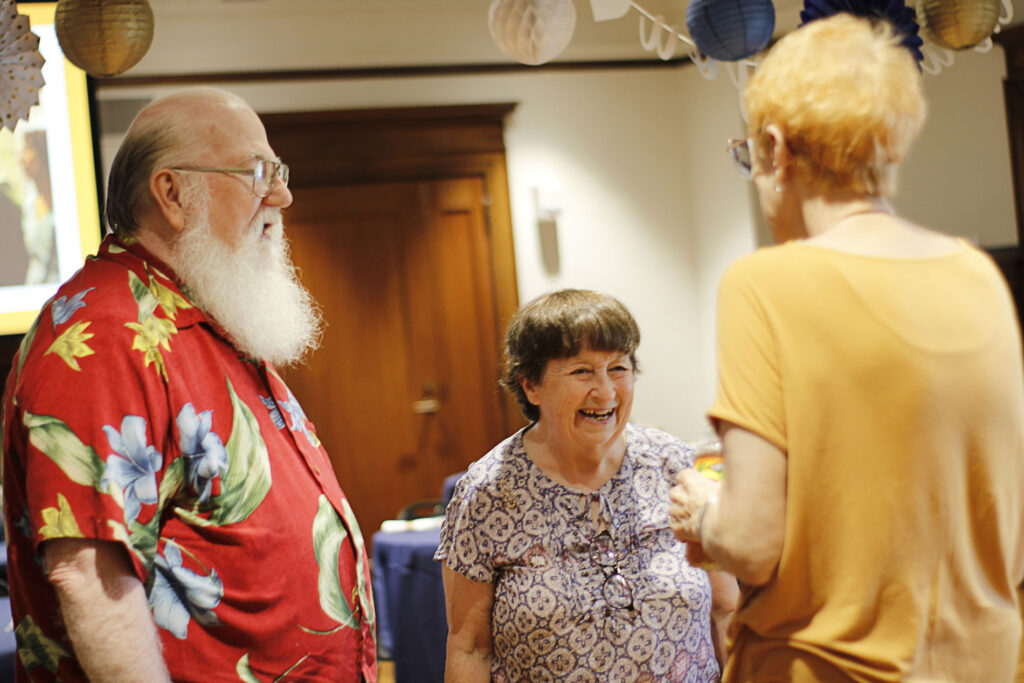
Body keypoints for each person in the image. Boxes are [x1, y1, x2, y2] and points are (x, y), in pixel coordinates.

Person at [668, 15, 1024, 682]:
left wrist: (702, 513)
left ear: (776, 147)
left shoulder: (764, 282)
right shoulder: (979, 277)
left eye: (749, 156)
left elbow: (750, 542)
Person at [1, 88, 377, 681]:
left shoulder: (195, 315)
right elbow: (91, 578)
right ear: (172, 193)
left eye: (279, 172)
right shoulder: (106, 335)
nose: (283, 195)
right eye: (258, 172)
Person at [436, 288, 738, 681]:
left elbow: (726, 608)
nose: (606, 392)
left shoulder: (675, 466)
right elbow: (469, 645)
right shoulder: (490, 491)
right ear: (531, 386)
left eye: (618, 368)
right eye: (582, 371)